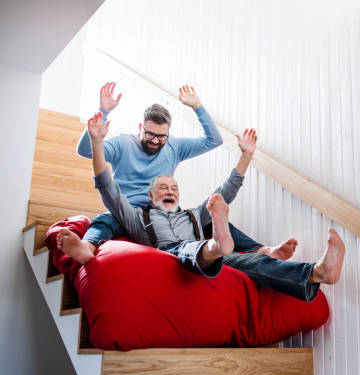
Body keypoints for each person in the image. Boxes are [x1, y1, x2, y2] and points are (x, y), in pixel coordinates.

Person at [58, 112, 345, 302]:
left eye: (174, 188)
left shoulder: (192, 215)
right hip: (175, 255)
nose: (170, 191)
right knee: (190, 247)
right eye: (163, 188)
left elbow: (227, 190)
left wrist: (246, 157)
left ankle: (320, 272)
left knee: (252, 261)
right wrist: (97, 142)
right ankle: (217, 244)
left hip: (209, 255)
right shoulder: (137, 218)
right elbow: (108, 188)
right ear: (150, 195)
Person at [72, 82, 297, 264]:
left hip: (162, 210)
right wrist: (103, 112)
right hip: (128, 209)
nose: (155, 141)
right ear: (140, 128)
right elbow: (85, 150)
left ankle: (262, 250)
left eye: (162, 136)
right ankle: (87, 246)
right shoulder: (124, 143)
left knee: (210, 219)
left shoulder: (174, 147)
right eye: (150, 135)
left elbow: (214, 140)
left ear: (169, 134)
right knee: (106, 218)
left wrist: (197, 107)